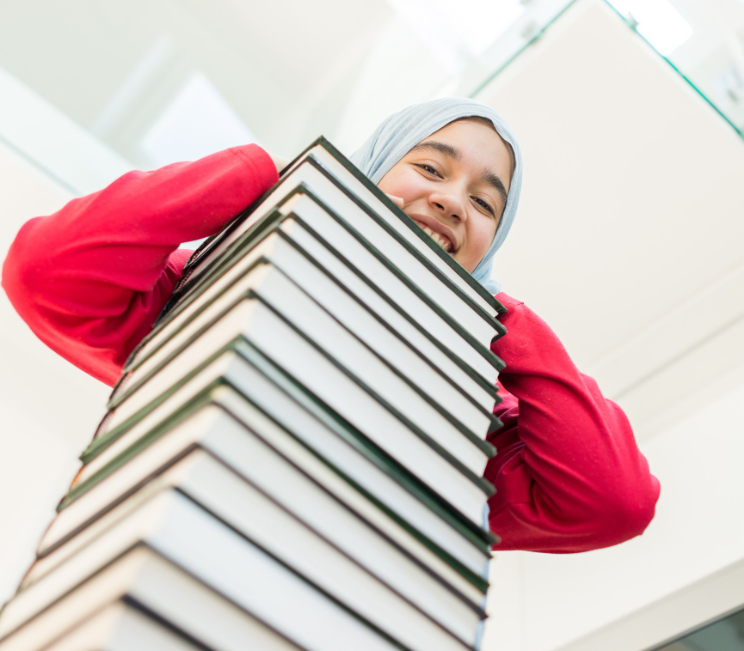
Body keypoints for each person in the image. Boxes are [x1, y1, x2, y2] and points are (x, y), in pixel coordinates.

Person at [1, 97, 660, 554]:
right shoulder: (224, 297)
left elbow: (613, 501)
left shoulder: (478, 417)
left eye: (486, 203)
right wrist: (257, 178)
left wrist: (495, 318)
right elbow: (47, 271)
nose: (452, 200)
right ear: (369, 169)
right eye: (430, 167)